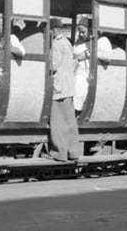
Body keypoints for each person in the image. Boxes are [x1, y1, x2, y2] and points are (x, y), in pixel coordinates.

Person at [48, 18, 80, 162]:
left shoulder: (56, 45)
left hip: (59, 87)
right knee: (69, 121)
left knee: (58, 122)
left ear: (53, 30)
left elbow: (53, 66)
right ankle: (73, 151)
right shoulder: (67, 43)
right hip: (68, 86)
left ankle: (60, 152)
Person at [72, 24, 90, 115]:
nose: (80, 34)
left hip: (84, 73)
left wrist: (86, 55)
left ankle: (77, 111)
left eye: (83, 32)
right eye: (79, 32)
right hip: (74, 70)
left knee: (79, 83)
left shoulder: (91, 44)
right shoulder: (77, 43)